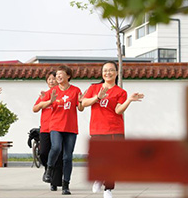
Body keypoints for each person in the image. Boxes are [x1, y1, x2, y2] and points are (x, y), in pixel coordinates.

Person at [81, 61, 144, 198]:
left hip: (115, 129)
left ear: (116, 73)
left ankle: (108, 189)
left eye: (110, 70)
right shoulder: (94, 88)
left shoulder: (120, 92)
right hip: (97, 129)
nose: (107, 73)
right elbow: (84, 103)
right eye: (105, 70)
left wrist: (129, 100)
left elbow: (118, 110)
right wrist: (98, 97)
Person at [41, 64, 83, 195]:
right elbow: (37, 106)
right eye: (57, 75)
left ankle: (66, 185)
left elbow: (80, 108)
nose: (58, 77)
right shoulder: (52, 91)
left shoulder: (75, 90)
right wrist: (49, 101)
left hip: (70, 128)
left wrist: (81, 102)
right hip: (56, 126)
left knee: (67, 157)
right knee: (56, 148)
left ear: (68, 76)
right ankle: (49, 169)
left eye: (61, 74)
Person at [33, 71, 63, 191]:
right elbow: (35, 109)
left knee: (58, 154)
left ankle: (54, 182)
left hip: (59, 128)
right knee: (44, 152)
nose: (51, 81)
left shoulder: (62, 94)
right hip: (45, 128)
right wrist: (44, 101)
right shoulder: (44, 95)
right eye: (49, 79)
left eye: (54, 79)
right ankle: (48, 169)